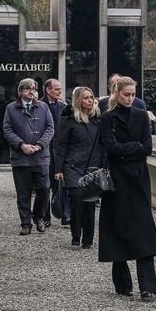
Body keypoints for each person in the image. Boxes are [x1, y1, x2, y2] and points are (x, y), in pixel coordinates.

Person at [98, 76, 156, 301]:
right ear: (116, 93)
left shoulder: (140, 116)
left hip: (137, 180)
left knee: (143, 231)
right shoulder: (106, 118)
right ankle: (123, 284)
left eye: (133, 94)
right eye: (127, 94)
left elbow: (147, 147)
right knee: (118, 230)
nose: (131, 98)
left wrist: (128, 149)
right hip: (117, 181)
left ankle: (148, 287)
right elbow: (110, 147)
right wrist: (133, 148)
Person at [3, 78, 54, 235]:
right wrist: (21, 145)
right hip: (20, 158)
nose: (31, 91)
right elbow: (7, 130)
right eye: (27, 89)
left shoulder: (43, 107)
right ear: (20, 92)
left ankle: (38, 216)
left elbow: (50, 128)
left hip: (41, 156)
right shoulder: (11, 108)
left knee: (44, 189)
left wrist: (39, 145)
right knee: (23, 192)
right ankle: (25, 223)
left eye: (33, 88)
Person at [54, 87, 102, 249]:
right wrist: (58, 169)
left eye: (91, 97)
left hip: (92, 167)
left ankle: (87, 240)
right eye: (86, 98)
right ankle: (76, 237)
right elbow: (62, 146)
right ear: (78, 100)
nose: (89, 100)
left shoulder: (98, 120)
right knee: (76, 201)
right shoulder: (70, 121)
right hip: (73, 166)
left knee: (89, 204)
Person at [40, 78, 69, 227]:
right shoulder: (38, 106)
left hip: (60, 151)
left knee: (62, 185)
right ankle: (45, 217)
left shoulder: (64, 107)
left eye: (60, 89)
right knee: (45, 186)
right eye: (56, 89)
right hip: (45, 151)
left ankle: (65, 215)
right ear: (48, 90)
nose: (59, 92)